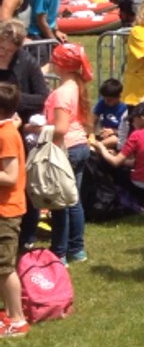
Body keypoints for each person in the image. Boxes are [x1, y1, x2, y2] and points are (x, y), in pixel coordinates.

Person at [27, 42, 95, 263]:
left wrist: (35, 128)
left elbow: (61, 128)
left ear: (61, 65)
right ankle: (77, 249)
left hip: (66, 149)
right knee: (73, 200)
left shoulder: (61, 93)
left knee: (59, 203)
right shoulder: (76, 85)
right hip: (80, 145)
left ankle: (59, 252)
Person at [89, 101, 144, 210]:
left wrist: (102, 148)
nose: (131, 122)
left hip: (140, 183)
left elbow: (115, 163)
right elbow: (141, 162)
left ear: (142, 119)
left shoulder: (137, 135)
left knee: (112, 169)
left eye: (133, 119)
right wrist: (116, 156)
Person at [0, 84, 29, 338]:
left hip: (6, 211)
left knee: (4, 268)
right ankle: (8, 313)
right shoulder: (7, 130)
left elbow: (10, 177)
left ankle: (18, 320)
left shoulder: (7, 135)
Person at [0, 18, 49, 122]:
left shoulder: (28, 62)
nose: (2, 53)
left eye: (10, 51)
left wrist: (11, 98)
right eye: (1, 47)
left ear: (17, 49)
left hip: (19, 121)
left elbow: (42, 97)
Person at [92, 78, 128, 150]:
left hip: (118, 136)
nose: (106, 102)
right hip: (104, 133)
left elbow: (127, 131)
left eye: (109, 100)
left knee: (114, 139)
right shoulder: (102, 102)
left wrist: (113, 131)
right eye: (104, 99)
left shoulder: (125, 108)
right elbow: (94, 117)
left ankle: (95, 147)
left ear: (118, 97)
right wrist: (91, 132)